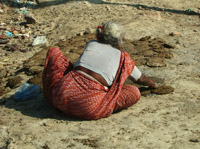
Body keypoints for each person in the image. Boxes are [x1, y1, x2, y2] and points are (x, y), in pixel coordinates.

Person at [42, 21, 156, 120]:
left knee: (54, 52)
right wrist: (153, 84)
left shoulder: (91, 44)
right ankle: (101, 98)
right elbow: (140, 79)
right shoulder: (123, 57)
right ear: (120, 40)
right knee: (134, 92)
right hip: (88, 107)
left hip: (59, 98)